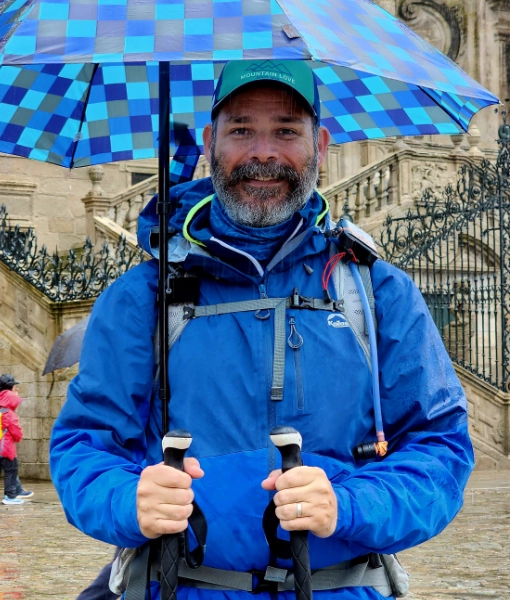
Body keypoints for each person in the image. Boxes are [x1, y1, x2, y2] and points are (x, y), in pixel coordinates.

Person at [50, 60, 474, 600]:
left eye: (287, 131)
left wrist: (349, 505)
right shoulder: (143, 297)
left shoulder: (379, 293)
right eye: (242, 130)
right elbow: (84, 443)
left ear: (320, 143)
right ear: (210, 143)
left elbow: (441, 448)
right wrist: (125, 498)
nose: (263, 153)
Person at [0, 374, 33, 505]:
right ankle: (10, 496)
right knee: (11, 470)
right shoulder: (8, 413)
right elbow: (16, 431)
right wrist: (19, 436)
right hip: (7, 448)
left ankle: (14, 492)